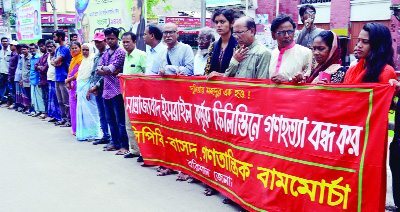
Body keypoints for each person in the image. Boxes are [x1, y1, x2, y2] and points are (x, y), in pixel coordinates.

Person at [96, 27, 129, 155]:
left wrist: (106, 70)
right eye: (108, 38)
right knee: (110, 119)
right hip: (106, 90)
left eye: (112, 38)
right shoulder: (106, 53)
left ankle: (124, 145)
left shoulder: (121, 52)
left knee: (120, 120)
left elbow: (111, 68)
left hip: (117, 90)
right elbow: (99, 70)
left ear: (117, 38)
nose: (110, 41)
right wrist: (107, 70)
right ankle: (114, 142)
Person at [120, 31, 146, 158]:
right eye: (123, 42)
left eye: (127, 42)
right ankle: (135, 150)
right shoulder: (126, 56)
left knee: (140, 125)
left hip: (140, 97)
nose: (125, 44)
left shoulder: (141, 55)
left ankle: (144, 152)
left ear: (135, 42)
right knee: (129, 124)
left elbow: (148, 75)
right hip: (128, 96)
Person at [269, 13, 312, 83]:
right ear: (273, 35)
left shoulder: (306, 53)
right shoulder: (273, 53)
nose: (287, 36)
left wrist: (289, 80)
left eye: (290, 32)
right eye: (282, 32)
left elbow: (310, 81)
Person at [88, 32, 111, 145]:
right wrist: (93, 86)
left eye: (99, 41)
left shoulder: (108, 54)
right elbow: (94, 72)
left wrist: (97, 85)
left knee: (109, 114)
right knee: (101, 113)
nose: (97, 44)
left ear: (105, 41)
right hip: (96, 88)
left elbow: (106, 74)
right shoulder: (97, 55)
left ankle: (112, 137)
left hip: (106, 87)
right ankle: (105, 136)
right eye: (96, 42)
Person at [76, 43, 101, 141]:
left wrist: (89, 90)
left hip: (89, 87)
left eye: (87, 50)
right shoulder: (83, 61)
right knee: (83, 112)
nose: (85, 52)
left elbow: (92, 76)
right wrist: (77, 91)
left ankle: (94, 134)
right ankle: (85, 134)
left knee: (91, 112)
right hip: (81, 87)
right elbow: (80, 76)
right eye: (83, 50)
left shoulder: (93, 59)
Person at [205, 9, 237, 78]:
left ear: (232, 23)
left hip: (231, 86)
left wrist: (222, 75)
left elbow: (241, 72)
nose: (218, 25)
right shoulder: (213, 45)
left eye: (222, 22)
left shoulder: (238, 46)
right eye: (216, 22)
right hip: (214, 87)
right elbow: (207, 70)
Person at [52, 30, 72, 127]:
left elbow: (57, 60)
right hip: (57, 77)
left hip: (65, 77)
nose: (53, 38)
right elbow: (53, 61)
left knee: (66, 101)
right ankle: (63, 118)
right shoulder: (58, 49)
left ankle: (69, 120)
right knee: (60, 100)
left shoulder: (65, 48)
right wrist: (55, 62)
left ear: (60, 37)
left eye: (55, 36)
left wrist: (55, 61)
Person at [65, 41, 84, 134]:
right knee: (72, 106)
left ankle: (79, 129)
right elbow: (70, 72)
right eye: (72, 48)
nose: (74, 50)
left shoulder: (82, 59)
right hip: (71, 85)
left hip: (78, 84)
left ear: (80, 48)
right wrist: (68, 81)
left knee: (78, 106)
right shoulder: (73, 59)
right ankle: (74, 128)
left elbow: (79, 73)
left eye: (76, 47)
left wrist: (68, 80)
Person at [45, 39, 62, 122]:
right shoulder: (49, 56)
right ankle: (55, 116)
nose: (49, 48)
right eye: (47, 47)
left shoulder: (57, 55)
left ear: (55, 47)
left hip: (57, 79)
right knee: (52, 99)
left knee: (58, 99)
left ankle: (61, 117)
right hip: (50, 79)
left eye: (51, 46)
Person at [34, 39, 49, 119]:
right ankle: (46, 113)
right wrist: (39, 67)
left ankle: (48, 113)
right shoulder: (42, 56)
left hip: (47, 80)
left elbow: (44, 69)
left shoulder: (48, 55)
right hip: (42, 80)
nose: (41, 48)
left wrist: (40, 68)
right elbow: (35, 66)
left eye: (42, 46)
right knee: (44, 97)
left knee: (48, 98)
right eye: (39, 46)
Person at [29, 43, 44, 117]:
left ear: (36, 48)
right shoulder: (32, 58)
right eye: (30, 49)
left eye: (33, 48)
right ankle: (37, 111)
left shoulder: (39, 57)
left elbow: (40, 70)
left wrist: (39, 80)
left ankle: (42, 111)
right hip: (32, 80)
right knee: (34, 97)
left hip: (37, 80)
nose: (32, 50)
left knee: (39, 96)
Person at [20, 44, 33, 114]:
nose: (23, 51)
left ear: (28, 49)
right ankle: (29, 108)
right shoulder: (22, 58)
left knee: (31, 96)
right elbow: (23, 69)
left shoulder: (31, 58)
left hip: (30, 80)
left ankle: (32, 109)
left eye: (24, 49)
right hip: (24, 80)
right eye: (22, 49)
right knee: (27, 95)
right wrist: (21, 79)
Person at [6, 40, 19, 110]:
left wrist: (14, 75)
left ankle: (15, 103)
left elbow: (17, 65)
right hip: (11, 74)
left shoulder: (16, 54)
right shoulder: (12, 54)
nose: (10, 46)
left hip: (14, 74)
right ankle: (13, 103)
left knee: (15, 90)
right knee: (12, 90)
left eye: (11, 45)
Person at [0, 37, 11, 105]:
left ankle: (9, 101)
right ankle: (1, 99)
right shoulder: (0, 51)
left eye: (6, 41)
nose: (4, 42)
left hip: (9, 72)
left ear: (8, 42)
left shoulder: (10, 51)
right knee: (1, 86)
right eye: (3, 41)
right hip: (2, 72)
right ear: (1, 43)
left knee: (9, 87)